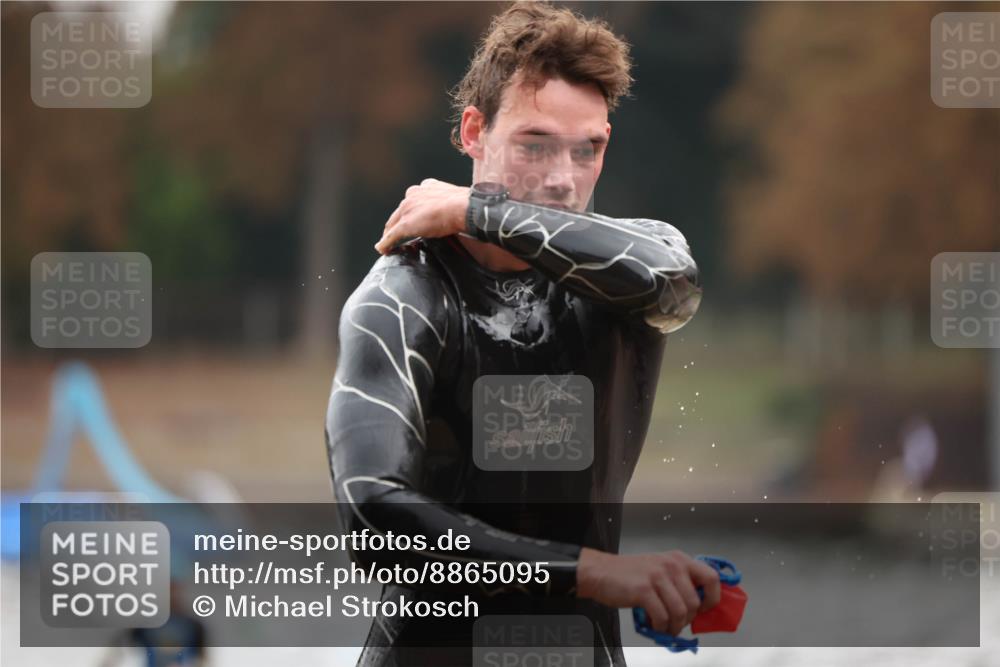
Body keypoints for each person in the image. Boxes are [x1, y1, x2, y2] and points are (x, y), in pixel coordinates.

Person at [325, 3, 719, 665]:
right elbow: (374, 516)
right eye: (534, 143)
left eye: (585, 148)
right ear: (474, 131)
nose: (563, 177)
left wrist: (482, 211)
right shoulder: (403, 296)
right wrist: (590, 571)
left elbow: (674, 282)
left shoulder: (627, 269)